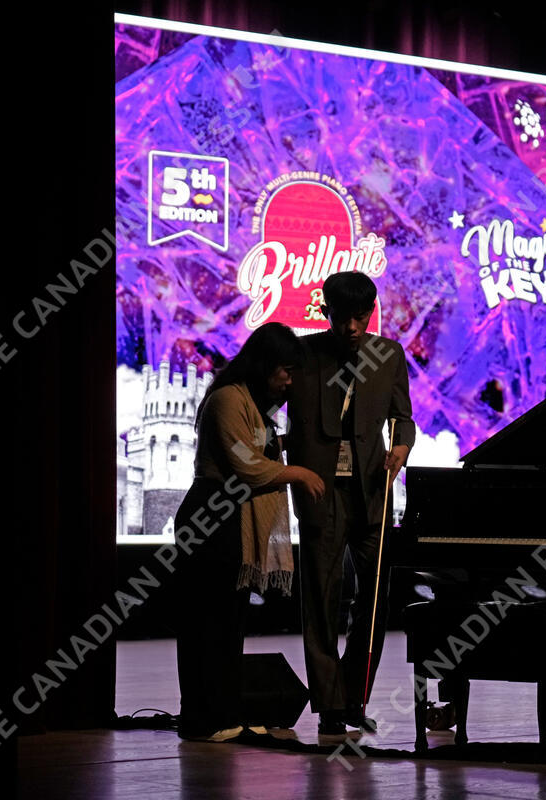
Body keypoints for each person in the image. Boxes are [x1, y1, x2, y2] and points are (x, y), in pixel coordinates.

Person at [170, 322, 325, 742]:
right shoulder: (227, 400)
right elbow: (248, 465)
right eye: (286, 371)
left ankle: (222, 715)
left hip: (230, 519)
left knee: (228, 622)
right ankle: (205, 719)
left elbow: (259, 451)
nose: (289, 381)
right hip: (211, 516)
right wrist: (299, 473)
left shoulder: (252, 405)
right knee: (208, 623)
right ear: (264, 364)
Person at [285, 272, 415, 739]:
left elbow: (403, 417)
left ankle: (354, 698)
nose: (353, 328)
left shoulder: (389, 355)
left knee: (375, 600)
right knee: (321, 599)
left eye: (361, 317)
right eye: (343, 319)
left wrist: (401, 448)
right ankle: (329, 706)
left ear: (371, 312)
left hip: (372, 491)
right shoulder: (303, 355)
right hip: (320, 491)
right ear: (326, 313)